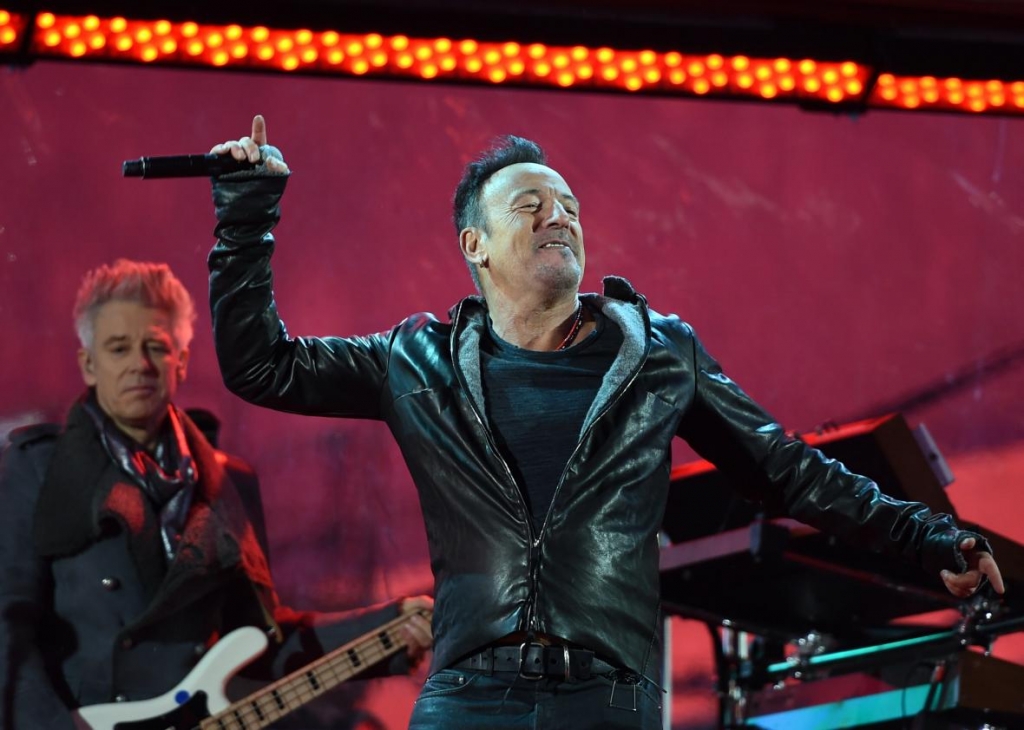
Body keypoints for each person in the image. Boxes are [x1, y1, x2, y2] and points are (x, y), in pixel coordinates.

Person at [203, 116, 1004, 730]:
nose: (560, 216)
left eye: (570, 205)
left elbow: (787, 468)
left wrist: (927, 536)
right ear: (473, 244)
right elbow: (262, 365)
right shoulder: (416, 361)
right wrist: (246, 219)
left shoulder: (660, 352)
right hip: (467, 697)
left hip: (609, 697)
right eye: (531, 205)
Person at [0, 259, 433, 730]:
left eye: (156, 347)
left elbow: (262, 639)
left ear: (181, 361)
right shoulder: (37, 469)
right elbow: (7, 629)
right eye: (118, 348)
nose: (139, 365)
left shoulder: (229, 483)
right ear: (88, 364)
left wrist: (388, 626)